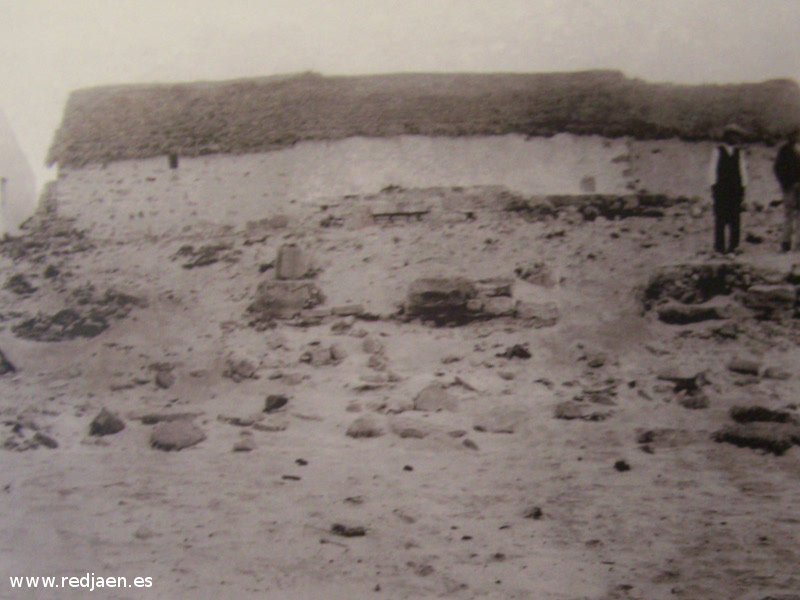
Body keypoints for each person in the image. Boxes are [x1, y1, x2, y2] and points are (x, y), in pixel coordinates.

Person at [708, 124, 748, 255]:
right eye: (735, 135)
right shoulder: (717, 151)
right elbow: (712, 171)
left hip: (735, 190)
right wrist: (713, 187)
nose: (737, 138)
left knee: (735, 218)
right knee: (721, 217)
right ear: (728, 136)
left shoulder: (739, 153)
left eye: (738, 136)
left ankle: (733, 246)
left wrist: (743, 187)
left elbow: (743, 171)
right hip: (721, 189)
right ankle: (719, 247)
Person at [773, 128, 800, 252]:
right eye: (793, 135)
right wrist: (788, 183)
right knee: (789, 214)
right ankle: (786, 242)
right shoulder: (784, 151)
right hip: (789, 188)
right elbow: (778, 169)